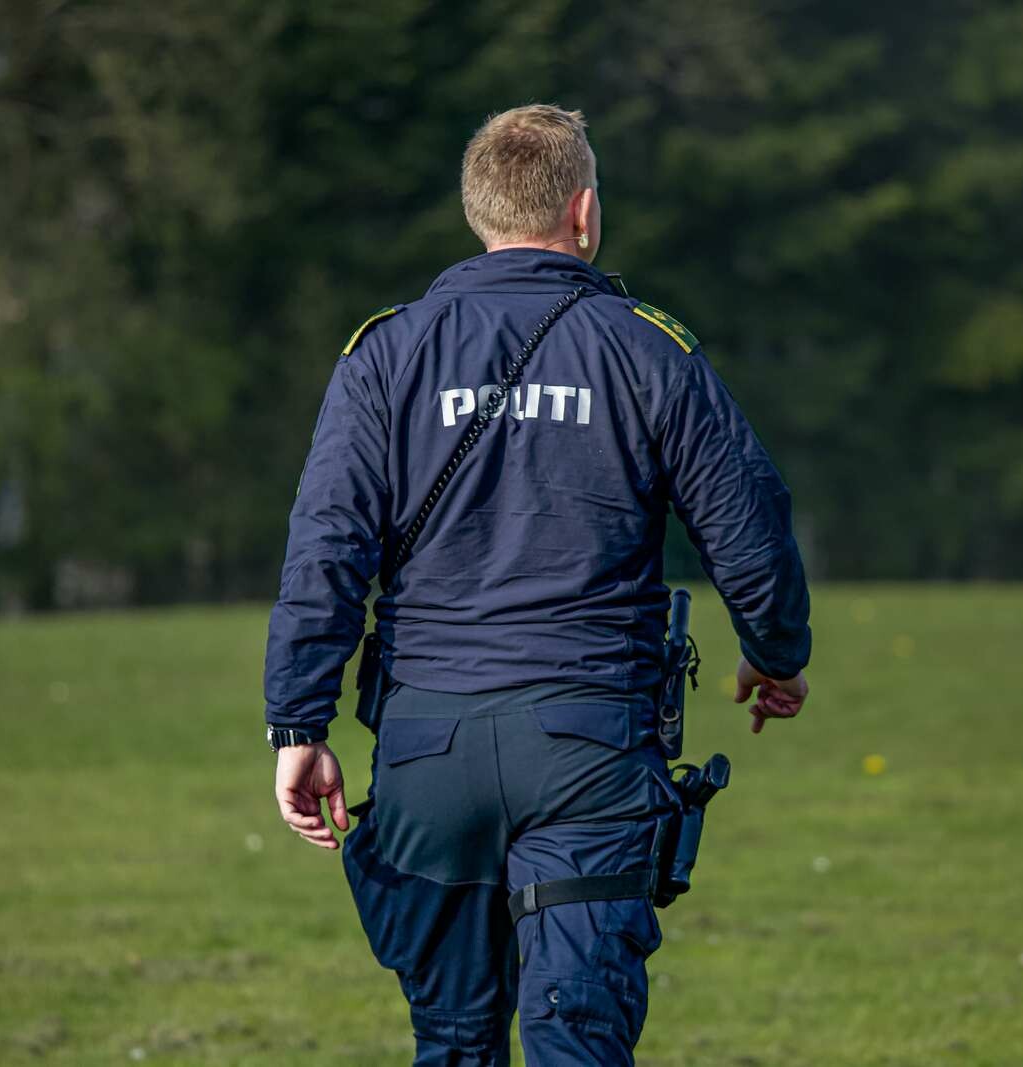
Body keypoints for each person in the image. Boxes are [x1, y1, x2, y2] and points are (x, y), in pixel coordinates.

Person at [263, 104, 812, 1066]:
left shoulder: (385, 354)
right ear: (585, 213)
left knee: (454, 1040)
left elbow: (326, 548)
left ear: (478, 212)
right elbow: (750, 523)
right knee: (577, 1041)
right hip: (589, 747)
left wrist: (298, 725)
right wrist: (776, 658)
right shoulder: (647, 346)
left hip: (427, 750)